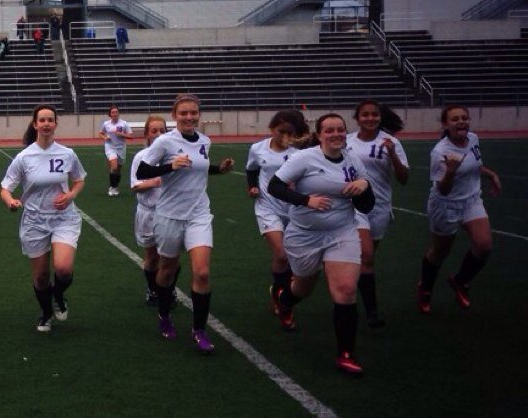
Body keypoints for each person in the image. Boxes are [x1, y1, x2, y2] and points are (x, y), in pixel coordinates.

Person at [267, 113, 375, 376]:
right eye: (329, 130)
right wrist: (306, 201)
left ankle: (346, 354)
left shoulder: (353, 161)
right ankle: (284, 300)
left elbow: (366, 206)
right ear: (319, 134)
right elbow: (275, 186)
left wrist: (365, 186)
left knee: (345, 289)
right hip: (304, 234)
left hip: (342, 232)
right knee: (303, 287)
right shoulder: (305, 158)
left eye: (340, 129)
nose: (336, 134)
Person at [134, 94, 233, 354]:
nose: (189, 117)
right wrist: (170, 166)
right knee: (167, 269)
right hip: (169, 214)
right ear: (174, 115)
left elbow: (198, 167)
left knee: (202, 272)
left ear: (199, 114)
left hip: (199, 213)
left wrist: (219, 169)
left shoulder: (205, 141)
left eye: (193, 113)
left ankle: (199, 330)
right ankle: (164, 315)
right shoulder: (165, 142)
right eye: (184, 113)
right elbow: (142, 172)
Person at [0, 105, 87, 333]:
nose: (46, 123)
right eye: (42, 120)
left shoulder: (67, 153)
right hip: (34, 221)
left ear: (55, 124)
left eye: (50, 119)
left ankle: (58, 295)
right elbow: (5, 188)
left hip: (63, 218)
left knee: (63, 268)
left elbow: (79, 180)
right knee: (40, 277)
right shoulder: (24, 157)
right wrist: (10, 201)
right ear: (35, 124)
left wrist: (71, 195)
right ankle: (46, 313)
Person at [416, 105, 502, 314]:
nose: (461, 122)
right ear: (446, 125)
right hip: (446, 204)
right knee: (440, 251)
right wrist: (451, 171)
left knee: (484, 245)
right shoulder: (440, 152)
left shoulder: (473, 139)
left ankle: (460, 281)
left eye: (464, 117)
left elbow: (475, 165)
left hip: (471, 200)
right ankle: (425, 288)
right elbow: (443, 190)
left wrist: (491, 174)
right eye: (455, 119)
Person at [344, 100, 408, 327]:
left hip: (379, 206)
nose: (370, 118)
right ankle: (371, 312)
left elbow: (403, 178)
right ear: (357, 118)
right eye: (365, 114)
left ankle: (347, 290)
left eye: (374, 115)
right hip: (354, 206)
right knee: (367, 256)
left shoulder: (391, 143)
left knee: (365, 260)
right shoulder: (347, 141)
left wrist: (392, 154)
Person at [245, 110, 309, 321]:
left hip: (294, 208)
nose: (285, 136)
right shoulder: (258, 149)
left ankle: (280, 289)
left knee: (293, 257)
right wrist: (252, 187)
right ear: (272, 129)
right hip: (267, 207)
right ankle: (282, 298)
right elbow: (252, 170)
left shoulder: (300, 151)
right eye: (281, 131)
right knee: (281, 254)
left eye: (290, 133)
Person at [129, 115, 168, 306]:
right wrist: (154, 182)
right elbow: (135, 186)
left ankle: (167, 288)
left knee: (170, 257)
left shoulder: (173, 157)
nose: (159, 134)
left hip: (170, 213)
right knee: (152, 257)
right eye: (154, 131)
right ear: (147, 134)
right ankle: (153, 289)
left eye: (162, 130)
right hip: (148, 213)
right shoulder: (141, 158)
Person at [98, 105, 134, 197]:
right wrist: (105, 138)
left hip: (121, 148)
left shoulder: (124, 124)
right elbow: (101, 133)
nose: (114, 114)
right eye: (113, 112)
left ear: (118, 113)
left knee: (118, 170)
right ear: (110, 114)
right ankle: (112, 187)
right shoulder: (106, 124)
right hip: (110, 147)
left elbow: (131, 136)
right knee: (114, 166)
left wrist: (122, 134)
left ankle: (115, 186)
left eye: (116, 112)